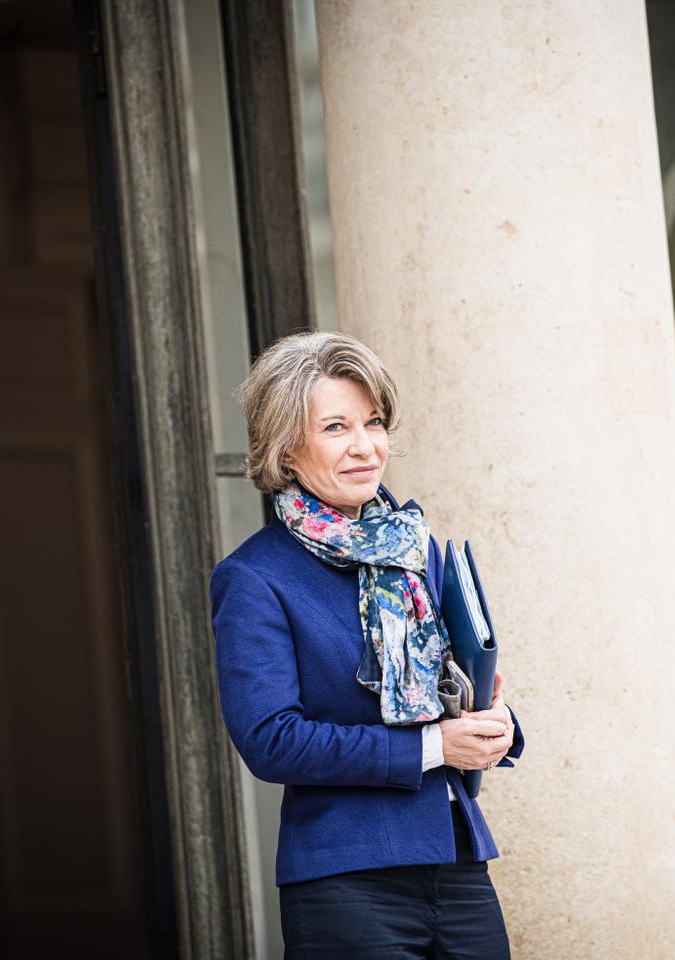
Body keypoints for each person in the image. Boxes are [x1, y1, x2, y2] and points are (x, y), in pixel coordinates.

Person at [211, 331, 524, 959]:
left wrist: (491, 724)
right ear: (286, 450)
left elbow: (451, 694)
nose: (365, 447)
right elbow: (272, 740)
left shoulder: (417, 552)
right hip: (346, 880)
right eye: (335, 428)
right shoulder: (254, 577)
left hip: (458, 863)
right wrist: (433, 745)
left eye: (374, 422)